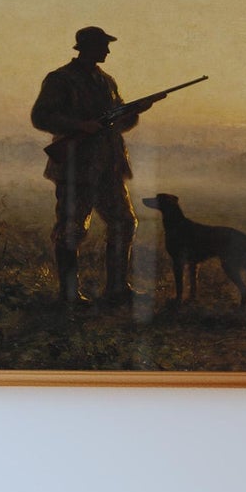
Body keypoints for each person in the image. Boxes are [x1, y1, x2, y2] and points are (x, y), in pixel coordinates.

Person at [30, 25, 169, 308]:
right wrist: (81, 125)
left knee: (124, 223)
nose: (107, 50)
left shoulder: (107, 81)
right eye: (103, 45)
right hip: (75, 168)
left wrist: (133, 113)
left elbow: (119, 125)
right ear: (88, 47)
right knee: (71, 229)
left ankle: (117, 289)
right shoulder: (60, 79)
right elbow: (41, 117)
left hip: (109, 167)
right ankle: (68, 294)